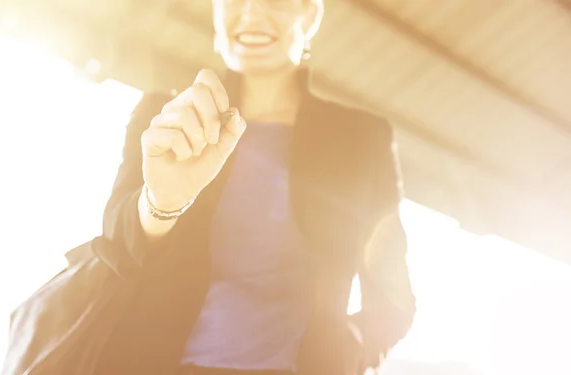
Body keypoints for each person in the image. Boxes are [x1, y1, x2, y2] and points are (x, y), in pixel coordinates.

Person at [92, 0, 416, 374]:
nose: (251, 13)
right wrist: (161, 201)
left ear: (310, 16)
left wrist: (349, 349)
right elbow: (116, 245)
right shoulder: (167, 116)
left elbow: (394, 300)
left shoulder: (361, 139)